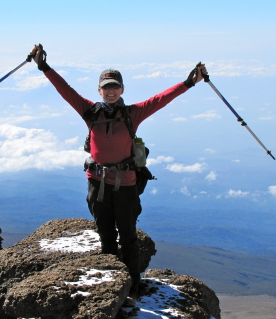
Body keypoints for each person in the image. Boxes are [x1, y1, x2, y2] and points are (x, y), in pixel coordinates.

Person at [30, 44, 207, 298]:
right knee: (105, 233)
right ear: (99, 90)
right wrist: (44, 66)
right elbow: (65, 90)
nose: (110, 91)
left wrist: (188, 83)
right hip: (97, 182)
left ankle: (133, 286)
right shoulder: (89, 111)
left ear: (122, 89)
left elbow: (160, 99)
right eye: (106, 87)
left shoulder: (132, 113)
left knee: (128, 234)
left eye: (115, 87)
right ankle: (112, 284)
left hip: (125, 183)